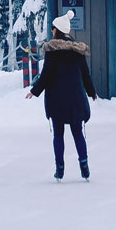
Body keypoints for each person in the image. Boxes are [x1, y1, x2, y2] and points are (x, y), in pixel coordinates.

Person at [27, 12, 97, 181]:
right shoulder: (78, 51)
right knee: (77, 133)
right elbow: (85, 74)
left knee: (58, 134)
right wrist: (91, 91)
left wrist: (34, 91)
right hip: (75, 99)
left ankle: (59, 169)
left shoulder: (52, 51)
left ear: (56, 30)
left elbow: (46, 76)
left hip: (57, 100)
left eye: (52, 29)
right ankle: (84, 166)